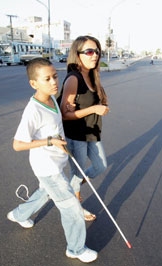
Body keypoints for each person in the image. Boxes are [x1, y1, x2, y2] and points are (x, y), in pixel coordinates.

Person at [7, 57, 97, 263]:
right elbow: (18, 144)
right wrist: (49, 141)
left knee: (45, 193)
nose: (54, 82)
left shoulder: (52, 99)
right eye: (47, 79)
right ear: (33, 83)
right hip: (47, 168)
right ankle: (75, 249)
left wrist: (61, 143)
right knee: (71, 208)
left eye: (55, 76)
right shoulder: (33, 110)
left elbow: (56, 128)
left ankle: (19, 215)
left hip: (56, 162)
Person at [58, 36, 109, 222]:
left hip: (92, 133)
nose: (94, 55)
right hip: (76, 135)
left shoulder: (92, 75)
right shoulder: (74, 78)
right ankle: (76, 206)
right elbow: (65, 114)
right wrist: (94, 109)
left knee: (100, 166)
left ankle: (70, 187)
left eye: (97, 51)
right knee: (77, 174)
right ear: (77, 54)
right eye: (89, 51)